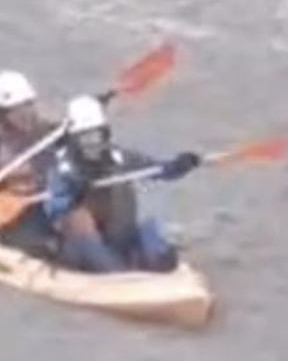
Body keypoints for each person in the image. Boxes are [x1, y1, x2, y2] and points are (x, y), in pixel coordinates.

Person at [42, 96, 202, 273]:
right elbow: (54, 211)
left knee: (155, 241)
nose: (93, 143)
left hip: (118, 236)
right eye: (85, 137)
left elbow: (157, 170)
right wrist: (77, 189)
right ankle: (114, 271)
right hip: (82, 246)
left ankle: (143, 260)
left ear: (105, 134)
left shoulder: (119, 157)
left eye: (97, 135)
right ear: (74, 139)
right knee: (78, 218)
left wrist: (179, 165)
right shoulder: (63, 169)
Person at [0, 70, 61, 255]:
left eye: (28, 106)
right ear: (4, 114)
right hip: (12, 214)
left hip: (45, 201)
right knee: (44, 245)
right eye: (17, 110)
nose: (26, 114)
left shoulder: (49, 132)